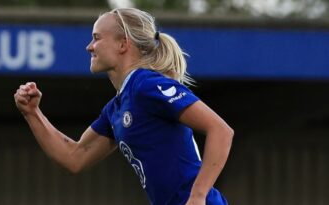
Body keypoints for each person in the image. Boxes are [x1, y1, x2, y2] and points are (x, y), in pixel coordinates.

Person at [14, 8, 234, 205]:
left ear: (123, 44)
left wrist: (198, 196)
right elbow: (75, 156)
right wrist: (32, 113)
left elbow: (221, 130)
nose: (89, 46)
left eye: (96, 38)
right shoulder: (116, 107)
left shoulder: (146, 85)